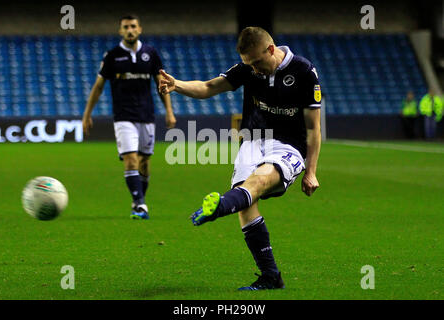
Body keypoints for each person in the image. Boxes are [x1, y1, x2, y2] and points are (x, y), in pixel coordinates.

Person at [159, 27, 321, 290]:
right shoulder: (248, 69)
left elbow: (314, 127)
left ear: (270, 50)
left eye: (257, 62)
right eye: (249, 64)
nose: (254, 69)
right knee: (246, 203)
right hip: (253, 141)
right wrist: (176, 84)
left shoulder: (303, 71)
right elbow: (209, 87)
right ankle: (271, 276)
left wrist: (311, 171)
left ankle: (220, 207)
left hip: (288, 146)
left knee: (256, 183)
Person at [82, 15, 176, 219]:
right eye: (126, 27)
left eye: (133, 26)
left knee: (144, 161)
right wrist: (87, 114)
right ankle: (140, 204)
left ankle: (139, 200)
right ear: (120, 31)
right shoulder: (113, 55)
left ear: (140, 29)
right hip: (123, 116)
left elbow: (162, 85)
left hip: (147, 115)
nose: (130, 30)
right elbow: (98, 87)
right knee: (131, 159)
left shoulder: (150, 53)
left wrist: (169, 111)